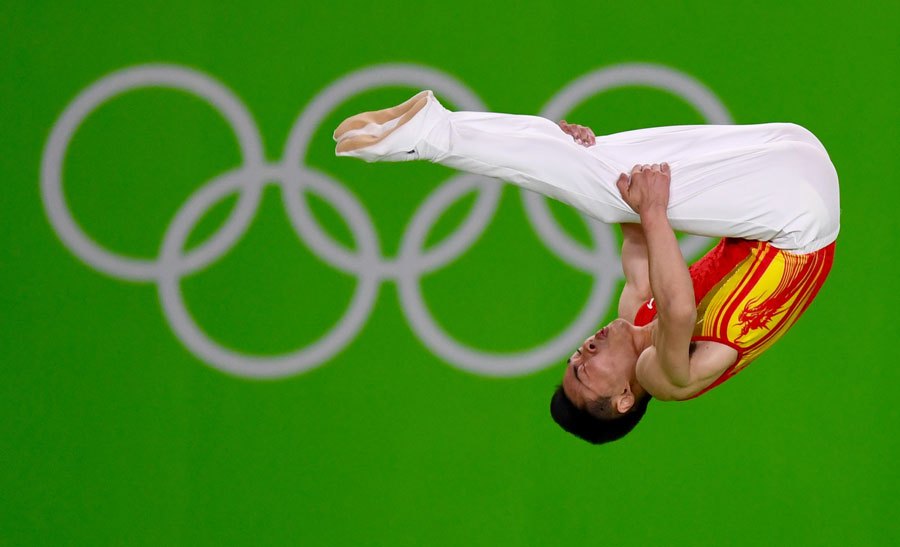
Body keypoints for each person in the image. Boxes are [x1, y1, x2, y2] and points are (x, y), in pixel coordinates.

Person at [333, 90, 839, 444]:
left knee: (608, 175)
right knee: (613, 193)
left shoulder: (632, 310)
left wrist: (572, 152)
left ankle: (454, 126)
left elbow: (635, 229)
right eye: (584, 371)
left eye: (571, 362)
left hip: (788, 154)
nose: (581, 352)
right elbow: (680, 309)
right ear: (623, 399)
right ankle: (432, 136)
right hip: (797, 220)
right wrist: (647, 207)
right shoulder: (665, 379)